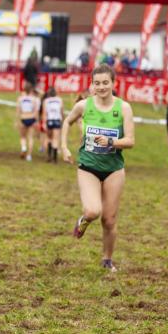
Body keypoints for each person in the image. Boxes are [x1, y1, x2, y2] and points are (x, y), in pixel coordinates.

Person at [61, 64, 134, 272]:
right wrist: (64, 147)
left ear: (113, 83)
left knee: (109, 219)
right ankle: (83, 220)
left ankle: (107, 259)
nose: (101, 87)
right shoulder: (84, 106)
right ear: (92, 84)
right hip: (88, 167)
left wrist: (112, 142)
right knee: (93, 211)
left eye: (105, 82)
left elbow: (130, 141)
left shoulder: (124, 108)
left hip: (114, 168)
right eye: (97, 83)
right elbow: (67, 121)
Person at [17, 82, 40, 161]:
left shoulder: (20, 98)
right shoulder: (34, 99)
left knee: (23, 137)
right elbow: (36, 111)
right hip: (31, 118)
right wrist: (36, 121)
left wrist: (17, 121)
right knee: (30, 137)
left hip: (23, 117)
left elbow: (18, 111)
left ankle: (23, 147)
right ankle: (29, 156)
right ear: (31, 90)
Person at [43, 86, 65, 163]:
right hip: (57, 120)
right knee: (55, 139)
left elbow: (45, 113)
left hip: (49, 120)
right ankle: (55, 159)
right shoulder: (60, 100)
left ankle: (49, 156)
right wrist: (63, 120)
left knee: (49, 138)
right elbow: (62, 112)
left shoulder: (46, 101)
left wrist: (44, 123)